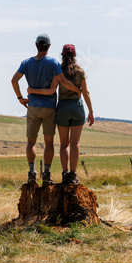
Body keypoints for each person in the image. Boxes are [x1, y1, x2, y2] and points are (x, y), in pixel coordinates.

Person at [11, 34, 82, 185]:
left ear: (36, 45)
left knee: (31, 142)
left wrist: (20, 97)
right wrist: (78, 90)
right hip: (49, 108)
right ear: (49, 46)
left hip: (33, 107)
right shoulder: (52, 63)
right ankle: (47, 173)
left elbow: (14, 80)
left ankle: (31, 172)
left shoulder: (26, 62)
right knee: (49, 142)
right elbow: (64, 82)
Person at [28, 44, 94, 184]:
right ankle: (73, 174)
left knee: (64, 144)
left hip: (62, 107)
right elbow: (86, 93)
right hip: (77, 106)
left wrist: (32, 90)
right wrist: (91, 112)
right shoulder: (80, 72)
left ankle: (64, 173)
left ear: (62, 55)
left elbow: (51, 90)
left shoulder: (58, 71)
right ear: (75, 55)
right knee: (75, 143)